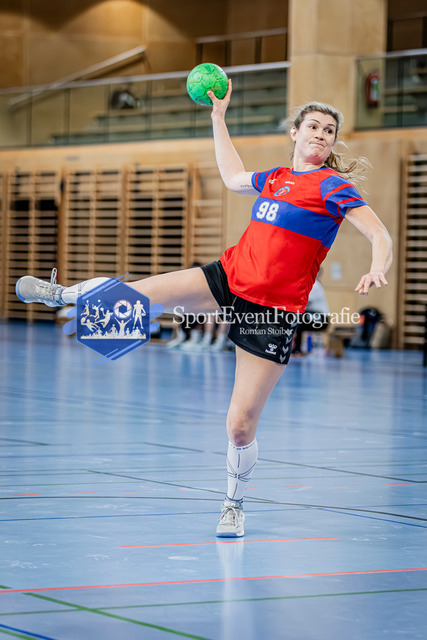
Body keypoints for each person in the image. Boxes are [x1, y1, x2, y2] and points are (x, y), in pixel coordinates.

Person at [15, 82, 393, 538]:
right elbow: (233, 177)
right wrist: (218, 117)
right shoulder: (275, 178)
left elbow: (379, 234)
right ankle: (63, 295)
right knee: (140, 294)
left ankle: (233, 503)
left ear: (332, 142)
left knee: (240, 426)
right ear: (295, 132)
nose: (321, 134)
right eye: (313, 126)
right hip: (229, 276)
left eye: (329, 131)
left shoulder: (333, 186)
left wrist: (377, 267)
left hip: (271, 311)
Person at [292, 270, 329, 356]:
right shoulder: (310, 285)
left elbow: (303, 301)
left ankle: (297, 349)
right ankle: (295, 347)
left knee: (300, 320)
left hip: (322, 319)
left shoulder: (315, 285)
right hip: (314, 316)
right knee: (298, 318)